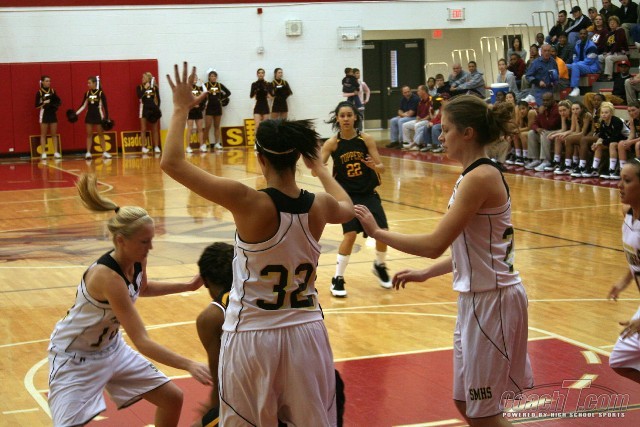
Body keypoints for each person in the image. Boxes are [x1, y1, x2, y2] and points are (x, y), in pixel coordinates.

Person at [161, 62, 354, 426]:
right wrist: (320, 170)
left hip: (253, 335)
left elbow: (171, 163)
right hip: (306, 333)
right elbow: (348, 206)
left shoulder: (248, 201)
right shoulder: (321, 205)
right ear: (297, 158)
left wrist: (181, 108)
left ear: (260, 158)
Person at [353, 95, 533, 427]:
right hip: (477, 298)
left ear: (467, 133)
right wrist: (426, 273)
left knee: (485, 414)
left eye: (446, 129)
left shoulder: (480, 177)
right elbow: (472, 249)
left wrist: (378, 233)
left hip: (493, 300)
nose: (440, 136)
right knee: (464, 402)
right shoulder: (472, 175)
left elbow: (435, 244)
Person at [47, 173, 212, 427]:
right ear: (120, 240)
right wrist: (188, 364)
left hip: (112, 349)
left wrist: (188, 286)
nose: (150, 248)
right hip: (76, 357)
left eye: (151, 240)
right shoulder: (107, 278)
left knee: (172, 398)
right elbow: (142, 341)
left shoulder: (137, 258)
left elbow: (142, 288)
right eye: (145, 242)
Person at [192, 242, 347, 427]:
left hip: (267, 390)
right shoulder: (276, 291)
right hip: (323, 380)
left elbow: (222, 379)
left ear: (205, 280)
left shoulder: (212, 317)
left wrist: (212, 411)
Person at [322, 101, 392, 296]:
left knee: (383, 233)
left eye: (349, 115)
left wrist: (374, 166)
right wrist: (320, 168)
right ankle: (338, 278)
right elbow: (317, 168)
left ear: (355, 118)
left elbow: (382, 168)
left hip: (368, 193)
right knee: (350, 235)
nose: (346, 119)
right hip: (346, 197)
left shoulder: (365, 139)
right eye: (342, 115)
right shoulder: (332, 143)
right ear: (337, 119)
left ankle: (379, 265)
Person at [608, 157, 640, 385]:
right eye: (620, 179)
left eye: (627, 181)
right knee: (620, 359)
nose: (619, 185)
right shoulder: (627, 213)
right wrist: (624, 281)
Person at [75, 76, 111, 160]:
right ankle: (88, 153)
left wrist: (107, 117)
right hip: (89, 116)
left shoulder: (100, 93)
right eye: (87, 83)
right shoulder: (87, 93)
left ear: (94, 83)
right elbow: (83, 105)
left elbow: (105, 106)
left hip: (98, 116)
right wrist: (75, 113)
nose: (88, 84)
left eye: (89, 83)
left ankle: (104, 152)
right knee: (89, 134)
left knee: (101, 134)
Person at [567, 28, 601, 97]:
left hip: (591, 67)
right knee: (564, 66)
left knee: (575, 66)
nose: (582, 35)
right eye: (581, 34)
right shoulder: (577, 44)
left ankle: (575, 88)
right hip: (580, 65)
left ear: (587, 35)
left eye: (584, 34)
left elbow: (589, 61)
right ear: (579, 35)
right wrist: (575, 64)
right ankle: (565, 87)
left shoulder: (592, 46)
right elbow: (575, 58)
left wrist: (576, 64)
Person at [35, 75, 62, 159]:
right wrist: (44, 103)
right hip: (44, 114)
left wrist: (55, 106)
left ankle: (56, 152)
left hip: (52, 113)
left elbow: (57, 101)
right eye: (46, 81)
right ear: (42, 82)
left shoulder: (53, 91)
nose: (48, 82)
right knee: (43, 134)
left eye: (49, 81)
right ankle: (43, 153)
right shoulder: (39, 92)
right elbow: (36, 106)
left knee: (54, 134)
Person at [203, 70, 231, 150]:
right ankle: (203, 144)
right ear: (209, 77)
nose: (213, 77)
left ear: (216, 77)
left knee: (217, 126)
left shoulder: (219, 85)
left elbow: (228, 93)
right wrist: (203, 103)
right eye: (211, 76)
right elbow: (201, 95)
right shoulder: (206, 85)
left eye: (214, 76)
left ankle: (217, 143)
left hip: (218, 107)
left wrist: (221, 99)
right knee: (207, 126)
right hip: (209, 107)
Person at [597, 16, 628, 82]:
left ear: (617, 24)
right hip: (613, 53)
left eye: (614, 22)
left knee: (609, 58)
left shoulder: (620, 31)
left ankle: (609, 77)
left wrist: (611, 52)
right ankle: (600, 74)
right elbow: (606, 45)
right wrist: (605, 52)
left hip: (621, 54)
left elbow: (618, 43)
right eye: (610, 22)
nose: (612, 24)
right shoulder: (609, 33)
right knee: (598, 58)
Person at [137, 72, 162, 154]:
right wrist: (145, 88)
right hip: (143, 109)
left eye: (144, 77)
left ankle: (156, 146)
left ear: (148, 79)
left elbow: (158, 100)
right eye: (142, 77)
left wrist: (157, 109)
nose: (142, 79)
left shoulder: (154, 88)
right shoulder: (139, 87)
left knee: (155, 129)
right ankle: (143, 147)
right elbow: (139, 96)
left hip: (153, 109)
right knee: (143, 129)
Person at [186, 79, 207, 153]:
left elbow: (204, 96)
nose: (194, 79)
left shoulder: (199, 88)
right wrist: (191, 105)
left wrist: (200, 105)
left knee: (200, 129)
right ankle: (188, 147)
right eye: (193, 78)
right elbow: (184, 99)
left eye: (196, 78)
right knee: (190, 129)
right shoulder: (187, 88)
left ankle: (201, 146)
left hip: (198, 111)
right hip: (190, 111)